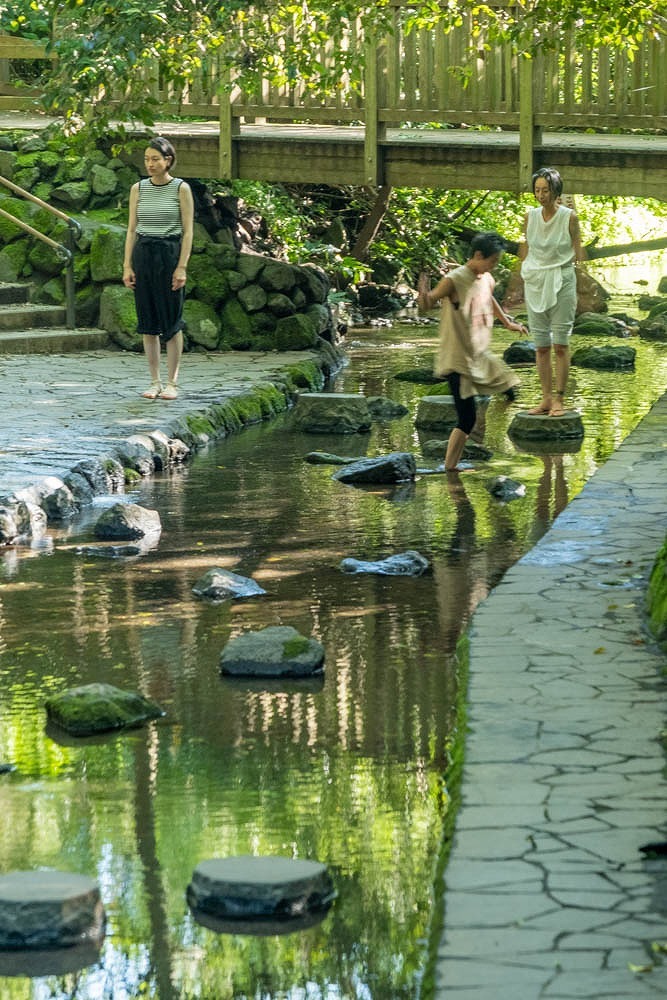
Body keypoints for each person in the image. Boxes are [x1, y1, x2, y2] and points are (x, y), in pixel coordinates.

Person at [417, 232, 527, 472]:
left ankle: (455, 463)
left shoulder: (486, 278)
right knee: (467, 419)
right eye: (493, 261)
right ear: (478, 255)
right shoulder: (454, 279)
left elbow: (489, 299)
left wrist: (507, 323)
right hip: (457, 359)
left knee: (509, 385)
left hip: (479, 354)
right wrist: (423, 294)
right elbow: (429, 302)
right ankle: (450, 467)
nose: (494, 266)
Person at [123, 137, 194, 399]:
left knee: (172, 320)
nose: (150, 164)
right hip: (144, 253)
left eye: (155, 159)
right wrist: (127, 264)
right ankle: (154, 381)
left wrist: (182, 266)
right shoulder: (138, 188)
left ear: (168, 161)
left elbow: (188, 232)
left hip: (169, 252)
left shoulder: (181, 188)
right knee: (147, 321)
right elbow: (131, 228)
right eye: (147, 159)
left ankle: (173, 382)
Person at [519, 167, 587, 416]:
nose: (541, 195)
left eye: (545, 190)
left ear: (555, 191)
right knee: (541, 346)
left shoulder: (569, 217)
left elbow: (579, 252)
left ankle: (559, 398)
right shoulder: (530, 217)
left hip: (562, 279)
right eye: (537, 190)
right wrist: (517, 280)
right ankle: (545, 399)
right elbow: (525, 250)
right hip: (535, 280)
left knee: (560, 344)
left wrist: (585, 283)